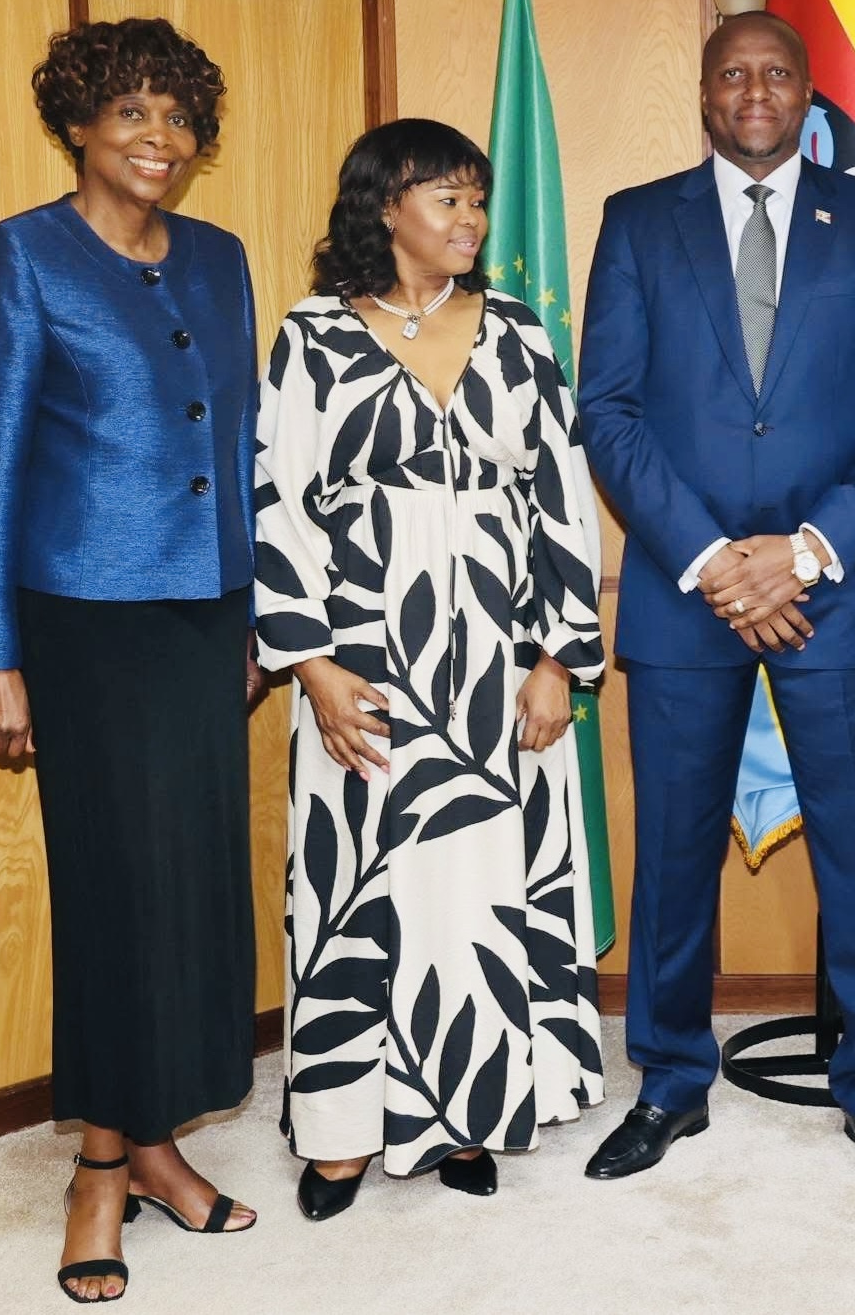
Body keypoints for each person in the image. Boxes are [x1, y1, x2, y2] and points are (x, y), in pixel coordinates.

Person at [576, 11, 855, 1192]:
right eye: (732, 72)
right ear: (701, 90)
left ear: (806, 92)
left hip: (831, 591)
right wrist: (715, 561)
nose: (754, 90)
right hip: (686, 595)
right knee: (674, 855)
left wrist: (811, 550)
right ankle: (672, 1081)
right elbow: (610, 411)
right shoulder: (638, 221)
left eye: (777, 72)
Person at [0, 18, 261, 1304]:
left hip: (206, 618)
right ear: (78, 123)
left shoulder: (221, 258)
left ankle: (160, 1146)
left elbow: (241, 447)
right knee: (113, 890)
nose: (159, 141)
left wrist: (258, 620)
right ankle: (96, 1167)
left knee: (189, 890)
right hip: (81, 618)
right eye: (131, 114)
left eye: (180, 120)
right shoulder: (22, 255)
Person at [254, 118, 607, 1222]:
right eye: (445, 199)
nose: (470, 221)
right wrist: (309, 667)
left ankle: (473, 1110)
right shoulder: (309, 337)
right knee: (362, 891)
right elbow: (277, 501)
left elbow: (561, 500)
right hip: (364, 665)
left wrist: (558, 658)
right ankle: (345, 1136)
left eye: (476, 200)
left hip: (498, 665)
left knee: (477, 889)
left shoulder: (518, 332)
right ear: (385, 206)